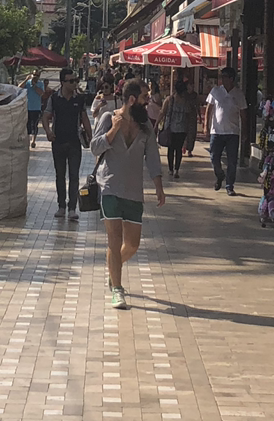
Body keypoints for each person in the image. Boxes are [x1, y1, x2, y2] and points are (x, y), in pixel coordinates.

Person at [91, 77, 165, 308]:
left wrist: (159, 186)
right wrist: (114, 130)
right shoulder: (108, 118)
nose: (148, 101)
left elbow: (152, 157)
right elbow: (94, 147)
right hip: (110, 187)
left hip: (133, 191)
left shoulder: (145, 127)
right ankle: (118, 289)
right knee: (114, 240)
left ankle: (114, 269)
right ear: (132, 99)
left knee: (132, 244)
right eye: (144, 97)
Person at [43, 68, 92, 220]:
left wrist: (91, 137)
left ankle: (72, 208)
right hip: (58, 142)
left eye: (76, 80)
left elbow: (84, 118)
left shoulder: (79, 99)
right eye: (71, 81)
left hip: (74, 142)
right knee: (60, 175)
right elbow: (46, 116)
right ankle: (61, 206)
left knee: (74, 176)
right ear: (63, 82)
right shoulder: (54, 99)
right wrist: (48, 132)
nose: (74, 83)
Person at [204, 66, 247, 196]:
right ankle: (219, 175)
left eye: (225, 77)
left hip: (232, 132)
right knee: (214, 157)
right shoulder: (216, 91)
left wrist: (244, 132)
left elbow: (243, 115)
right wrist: (206, 126)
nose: (222, 79)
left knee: (232, 161)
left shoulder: (238, 94)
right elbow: (209, 109)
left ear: (231, 79)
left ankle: (229, 186)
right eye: (221, 77)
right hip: (216, 131)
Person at [162, 74, 196, 179]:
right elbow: (190, 115)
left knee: (171, 149)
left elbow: (162, 112)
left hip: (170, 128)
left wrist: (156, 125)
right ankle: (176, 169)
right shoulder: (186, 102)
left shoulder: (169, 99)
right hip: (182, 129)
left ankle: (170, 169)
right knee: (178, 149)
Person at [21, 70, 45, 146]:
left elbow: (41, 93)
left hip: (36, 108)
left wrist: (34, 85)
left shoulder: (40, 84)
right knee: (27, 125)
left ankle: (33, 141)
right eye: (34, 75)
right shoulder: (27, 83)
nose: (35, 77)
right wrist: (26, 80)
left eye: (37, 75)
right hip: (27, 107)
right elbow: (19, 88)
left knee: (34, 124)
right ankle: (27, 140)